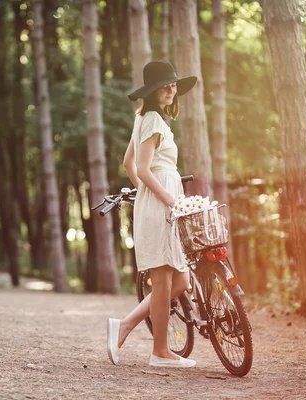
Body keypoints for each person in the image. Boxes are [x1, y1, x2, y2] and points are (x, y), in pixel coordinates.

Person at [107, 60, 198, 368]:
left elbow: (128, 164)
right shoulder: (154, 121)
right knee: (162, 282)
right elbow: (142, 169)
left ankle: (125, 325)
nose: (171, 92)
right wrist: (167, 199)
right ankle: (160, 352)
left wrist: (148, 195)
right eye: (165, 87)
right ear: (153, 91)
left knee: (181, 281)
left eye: (173, 86)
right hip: (163, 205)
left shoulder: (146, 118)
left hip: (158, 203)